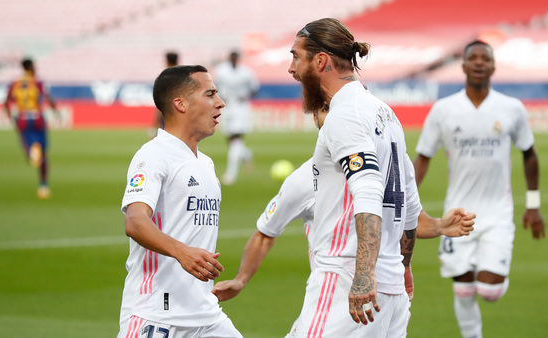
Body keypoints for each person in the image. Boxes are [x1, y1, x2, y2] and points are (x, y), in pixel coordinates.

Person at [212, 107, 475, 324]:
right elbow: (265, 234)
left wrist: (439, 225)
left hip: (345, 297)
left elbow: (409, 218)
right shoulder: (312, 177)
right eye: (326, 111)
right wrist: (240, 279)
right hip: (384, 299)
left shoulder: (321, 174)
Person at [276, 17, 428, 337]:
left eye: (295, 57)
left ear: (320, 61)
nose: (291, 68)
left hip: (346, 281)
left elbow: (368, 191)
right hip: (390, 288)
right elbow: (409, 206)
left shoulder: (345, 115)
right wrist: (403, 265)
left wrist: (363, 274)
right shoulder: (385, 113)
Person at [413, 40, 545, 338]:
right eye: (473, 57)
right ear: (463, 65)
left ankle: (492, 285)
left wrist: (533, 205)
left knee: (488, 291)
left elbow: (529, 153)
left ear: (493, 66)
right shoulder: (443, 110)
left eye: (485, 58)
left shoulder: (512, 108)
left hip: (498, 212)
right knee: (462, 288)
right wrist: (403, 204)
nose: (479, 62)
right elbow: (422, 159)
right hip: (456, 214)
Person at [118, 65, 242, 338]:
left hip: (206, 315)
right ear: (180, 103)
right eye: (210, 94)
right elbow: (135, 221)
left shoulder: (205, 163)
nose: (220, 103)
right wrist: (181, 251)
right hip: (157, 317)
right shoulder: (153, 156)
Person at [3, 58, 59, 199]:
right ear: (30, 67)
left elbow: (6, 101)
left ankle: (32, 152)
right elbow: (48, 97)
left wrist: (11, 116)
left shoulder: (15, 83)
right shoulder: (37, 82)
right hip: (38, 118)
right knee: (43, 153)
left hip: (23, 118)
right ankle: (43, 185)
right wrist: (55, 111)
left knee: (32, 152)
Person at [214, 50, 260, 185]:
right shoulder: (221, 71)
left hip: (241, 107)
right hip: (227, 106)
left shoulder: (246, 72)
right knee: (231, 140)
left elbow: (255, 88)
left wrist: (246, 96)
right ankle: (247, 154)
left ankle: (230, 174)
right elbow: (215, 86)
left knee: (236, 137)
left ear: (238, 58)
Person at [150, 51, 179, 138]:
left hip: (167, 111)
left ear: (166, 61)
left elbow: (161, 100)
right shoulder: (182, 77)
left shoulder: (164, 78)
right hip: (180, 111)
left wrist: (154, 125)